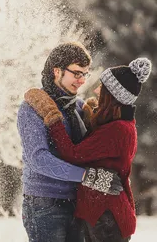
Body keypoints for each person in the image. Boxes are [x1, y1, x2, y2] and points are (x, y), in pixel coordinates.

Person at [24, 57, 152, 242]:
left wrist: (52, 116)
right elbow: (97, 153)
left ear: (113, 95)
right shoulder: (120, 124)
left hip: (107, 218)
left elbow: (73, 153)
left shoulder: (117, 130)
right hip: (105, 213)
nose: (96, 89)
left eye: (102, 87)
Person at [17, 42, 123, 242]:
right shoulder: (31, 109)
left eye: (85, 74)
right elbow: (38, 160)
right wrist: (86, 176)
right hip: (45, 204)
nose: (82, 81)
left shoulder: (79, 108)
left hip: (76, 202)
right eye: (77, 73)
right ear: (57, 71)